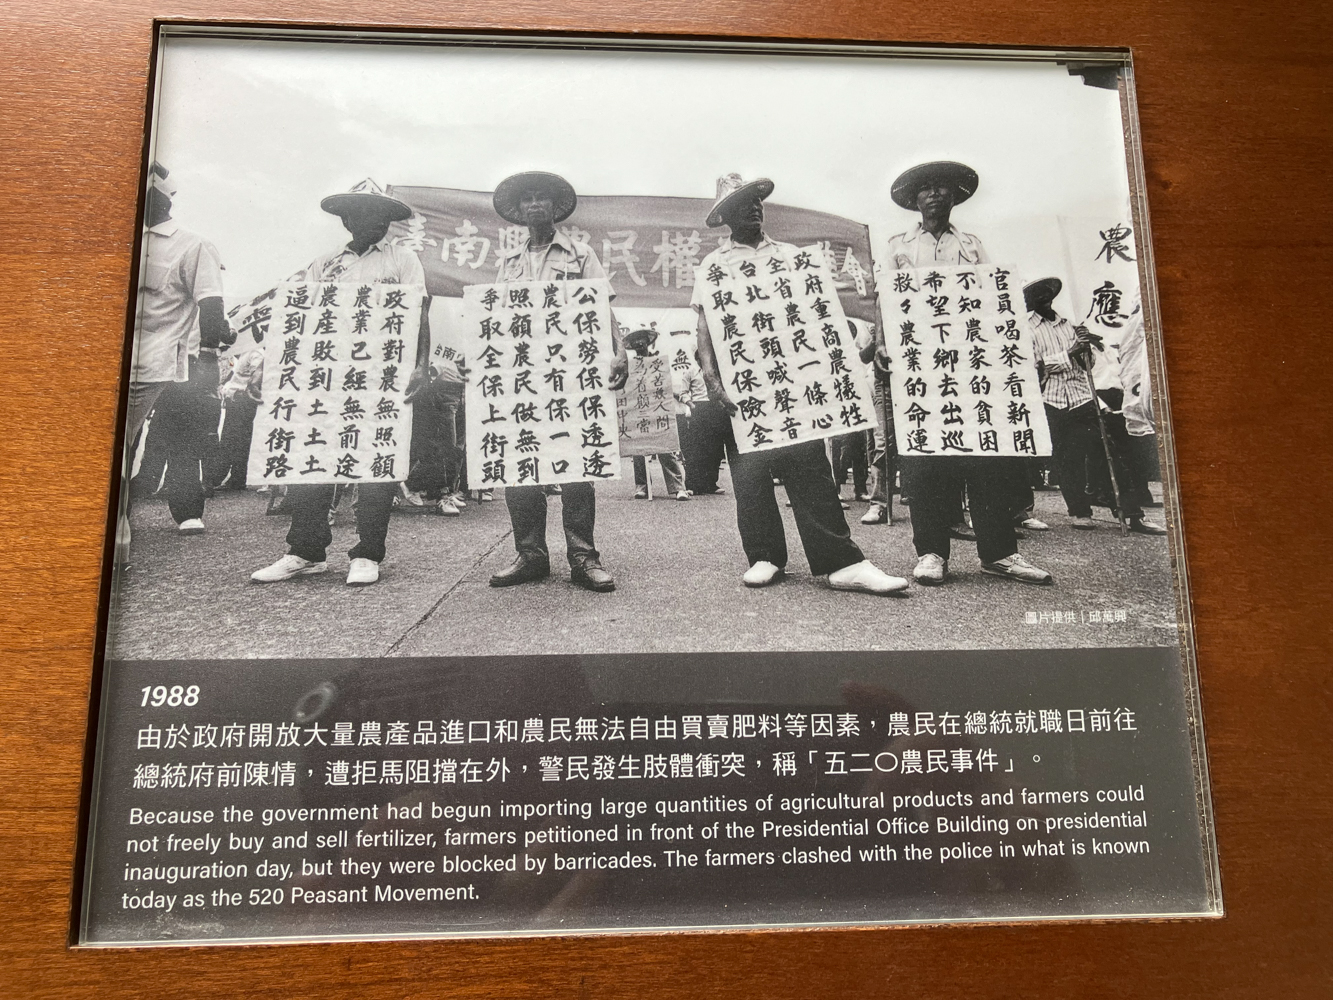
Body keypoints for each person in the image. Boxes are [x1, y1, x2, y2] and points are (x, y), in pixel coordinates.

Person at [691, 173, 908, 595]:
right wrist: (712, 379)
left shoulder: (793, 257)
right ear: (726, 217)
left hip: (794, 386)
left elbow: (819, 318)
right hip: (745, 387)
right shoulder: (714, 266)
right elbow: (704, 328)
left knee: (810, 466)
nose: (753, 208)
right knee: (750, 475)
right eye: (740, 204)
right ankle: (765, 556)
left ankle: (841, 562)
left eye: (756, 201)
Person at [251, 178, 430, 586]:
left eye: (383, 217)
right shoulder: (325, 263)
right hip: (326, 375)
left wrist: (419, 365)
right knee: (312, 457)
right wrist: (270, 369)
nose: (376, 223)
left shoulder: (402, 260)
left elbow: (420, 314)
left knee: (375, 461)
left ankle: (368, 553)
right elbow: (299, 324)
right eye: (366, 214)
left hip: (383, 376)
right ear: (347, 219)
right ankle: (306, 550)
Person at [885, 161, 1053, 585]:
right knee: (927, 460)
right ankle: (930, 552)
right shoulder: (898, 247)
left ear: (955, 195)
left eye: (943, 187)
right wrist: (885, 343)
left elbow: (995, 298)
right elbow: (882, 299)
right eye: (926, 189)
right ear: (915, 200)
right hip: (919, 365)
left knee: (986, 456)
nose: (935, 194)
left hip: (971, 361)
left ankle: (999, 553)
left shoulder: (974, 245)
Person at [485, 171, 628, 593]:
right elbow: (491, 318)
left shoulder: (580, 255)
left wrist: (619, 349)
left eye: (540, 198)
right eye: (526, 199)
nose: (534, 205)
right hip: (521, 375)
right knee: (520, 464)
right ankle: (530, 555)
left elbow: (601, 306)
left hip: (570, 373)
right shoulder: (508, 263)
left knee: (575, 464)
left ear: (553, 207)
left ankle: (583, 557)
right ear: (519, 210)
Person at [117, 161, 233, 564]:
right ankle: (119, 530)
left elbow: (212, 308)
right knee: (131, 446)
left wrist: (208, 356)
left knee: (182, 437)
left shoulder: (191, 244)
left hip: (174, 362)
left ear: (167, 198)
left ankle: (186, 511)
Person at [1025, 278, 1166, 534]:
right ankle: (1080, 511)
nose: (1044, 298)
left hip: (1082, 397)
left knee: (1109, 453)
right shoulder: (1026, 329)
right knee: (1068, 460)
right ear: (1031, 300)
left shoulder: (1069, 326)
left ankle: (1133, 513)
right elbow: (1036, 366)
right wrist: (1069, 353)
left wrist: (1085, 348)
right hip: (1052, 400)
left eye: (1047, 293)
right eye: (1038, 295)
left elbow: (1087, 365)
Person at [623, 327, 688, 500]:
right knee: (639, 451)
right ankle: (642, 486)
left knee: (665, 448)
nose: (639, 343)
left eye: (642, 340)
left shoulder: (658, 362)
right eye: (635, 341)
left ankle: (678, 487)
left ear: (647, 342)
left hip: (658, 408)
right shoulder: (629, 367)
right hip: (638, 411)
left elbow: (667, 385)